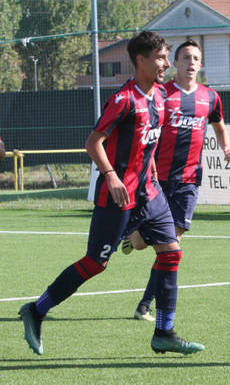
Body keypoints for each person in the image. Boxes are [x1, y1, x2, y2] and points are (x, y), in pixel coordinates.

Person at [18, 31, 204, 356]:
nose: (165, 64)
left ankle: (164, 331)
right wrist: (111, 176)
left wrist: (155, 175)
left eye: (165, 57)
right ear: (141, 60)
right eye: (160, 57)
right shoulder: (124, 99)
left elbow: (150, 143)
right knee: (96, 262)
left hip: (151, 193)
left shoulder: (160, 96)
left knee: (171, 252)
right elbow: (93, 141)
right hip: (118, 197)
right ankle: (36, 309)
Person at [120, 39, 230, 322]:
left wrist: (226, 147)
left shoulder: (210, 97)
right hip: (157, 180)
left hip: (188, 181)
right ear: (176, 63)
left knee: (171, 245)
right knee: (143, 244)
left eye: (196, 58)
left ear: (201, 63)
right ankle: (130, 236)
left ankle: (144, 305)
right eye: (186, 57)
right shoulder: (162, 93)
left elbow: (219, 125)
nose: (192, 62)